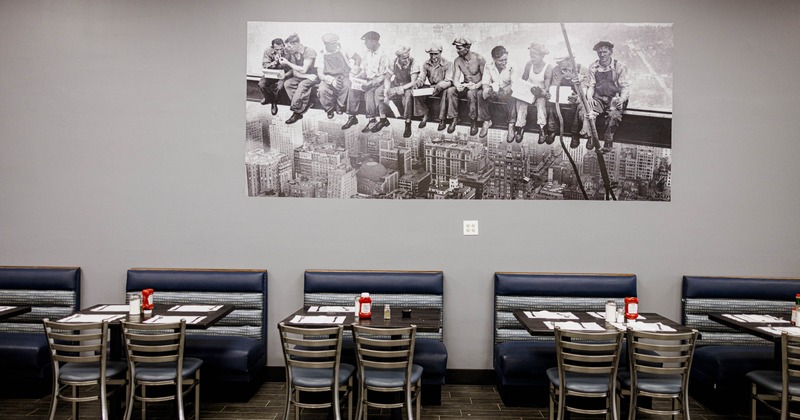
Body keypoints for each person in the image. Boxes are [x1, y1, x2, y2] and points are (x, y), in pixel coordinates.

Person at [578, 40, 631, 151]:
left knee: (614, 116)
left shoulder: (619, 66)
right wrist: (590, 98)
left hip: (615, 98)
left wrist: (621, 99)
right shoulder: (593, 66)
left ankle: (608, 140)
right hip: (599, 98)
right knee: (587, 111)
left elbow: (625, 87)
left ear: (610, 52)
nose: (602, 55)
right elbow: (591, 86)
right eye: (599, 52)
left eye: (605, 52)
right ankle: (591, 135)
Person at [341, 31, 391, 133]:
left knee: (369, 92)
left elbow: (384, 75)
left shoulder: (384, 54)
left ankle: (372, 119)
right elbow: (364, 70)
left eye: (366, 41)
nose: (365, 44)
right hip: (367, 79)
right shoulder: (367, 53)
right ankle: (352, 116)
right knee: (353, 88)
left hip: (378, 81)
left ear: (373, 42)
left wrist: (372, 83)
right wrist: (359, 77)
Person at [447, 37, 487, 136]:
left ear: (467, 48)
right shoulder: (457, 61)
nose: (457, 51)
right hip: (466, 85)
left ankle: (473, 121)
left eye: (459, 48)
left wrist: (476, 85)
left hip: (478, 86)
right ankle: (454, 118)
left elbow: (486, 78)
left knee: (471, 93)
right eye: (457, 48)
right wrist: (458, 85)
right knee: (451, 91)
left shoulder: (479, 59)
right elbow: (456, 78)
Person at [514, 42, 553, 144]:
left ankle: (542, 128)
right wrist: (521, 89)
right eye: (531, 56)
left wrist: (541, 92)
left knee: (541, 104)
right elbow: (524, 79)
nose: (532, 59)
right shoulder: (529, 64)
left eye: (534, 57)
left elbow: (547, 88)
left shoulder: (548, 68)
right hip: (529, 90)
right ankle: (520, 126)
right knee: (521, 103)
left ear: (541, 56)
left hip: (540, 93)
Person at [383, 45, 424, 138]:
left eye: (408, 57)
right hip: (397, 83)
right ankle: (385, 118)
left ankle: (408, 122)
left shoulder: (414, 63)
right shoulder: (393, 63)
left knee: (408, 96)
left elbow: (413, 82)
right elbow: (387, 78)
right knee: (383, 94)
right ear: (398, 57)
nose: (406, 60)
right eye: (404, 58)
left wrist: (398, 90)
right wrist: (387, 89)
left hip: (408, 85)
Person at [547, 56, 588, 149]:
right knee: (551, 103)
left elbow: (584, 91)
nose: (559, 65)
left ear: (570, 61)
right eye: (558, 63)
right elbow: (554, 86)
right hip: (560, 96)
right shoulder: (556, 70)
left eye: (561, 62)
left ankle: (574, 134)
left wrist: (575, 81)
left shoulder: (583, 70)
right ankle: (552, 130)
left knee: (579, 106)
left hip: (576, 96)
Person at [279, 33, 318, 125]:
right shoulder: (293, 54)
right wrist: (306, 76)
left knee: (302, 85)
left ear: (295, 44)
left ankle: (296, 112)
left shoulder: (309, 51)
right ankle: (305, 104)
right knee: (288, 83)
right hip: (305, 76)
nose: (288, 49)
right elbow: (295, 72)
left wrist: (288, 63)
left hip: (314, 77)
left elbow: (304, 69)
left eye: (289, 47)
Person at [318, 33, 358, 119]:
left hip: (343, 76)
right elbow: (320, 74)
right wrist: (331, 80)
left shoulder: (343, 50)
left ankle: (339, 106)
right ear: (325, 44)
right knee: (322, 89)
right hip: (328, 77)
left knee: (347, 86)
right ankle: (329, 109)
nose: (334, 45)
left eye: (335, 43)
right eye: (331, 44)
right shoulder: (321, 54)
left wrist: (355, 69)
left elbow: (358, 58)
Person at [414, 43, 454, 132]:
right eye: (431, 54)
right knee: (417, 91)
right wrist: (418, 83)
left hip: (443, 87)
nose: (433, 56)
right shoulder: (426, 64)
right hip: (432, 87)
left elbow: (449, 80)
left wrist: (440, 86)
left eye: (435, 54)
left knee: (445, 93)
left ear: (440, 53)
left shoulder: (448, 64)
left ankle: (442, 119)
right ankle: (424, 113)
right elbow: (422, 77)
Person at [480, 46, 516, 141]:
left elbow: (514, 84)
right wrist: (488, 90)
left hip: (507, 92)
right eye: (501, 60)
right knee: (481, 94)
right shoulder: (488, 65)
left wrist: (504, 91)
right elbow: (485, 82)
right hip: (494, 91)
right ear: (494, 59)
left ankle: (511, 125)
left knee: (514, 96)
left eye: (505, 59)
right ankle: (487, 120)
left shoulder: (512, 66)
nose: (504, 62)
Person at [258, 38, 291, 116]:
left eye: (281, 48)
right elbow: (265, 66)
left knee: (280, 87)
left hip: (283, 75)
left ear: (283, 45)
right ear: (273, 47)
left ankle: (274, 102)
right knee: (261, 84)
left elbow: (291, 68)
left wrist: (284, 65)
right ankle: (268, 98)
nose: (279, 51)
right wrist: (275, 62)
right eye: (277, 49)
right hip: (270, 73)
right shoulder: (268, 51)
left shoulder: (288, 52)